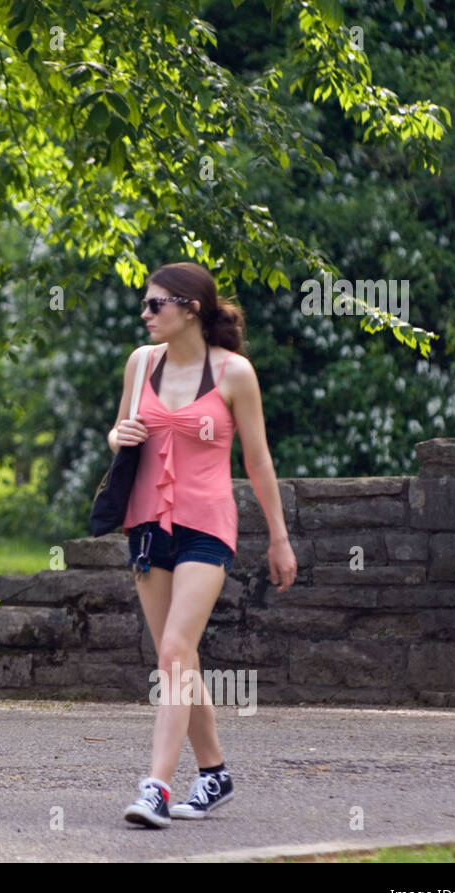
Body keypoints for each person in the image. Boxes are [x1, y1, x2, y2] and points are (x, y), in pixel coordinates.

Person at [111, 262, 297, 828]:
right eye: (144, 305)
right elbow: (121, 430)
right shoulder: (141, 363)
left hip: (206, 525)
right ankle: (213, 772)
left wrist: (279, 539)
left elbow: (257, 459)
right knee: (179, 656)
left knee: (173, 651)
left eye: (155, 305)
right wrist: (119, 434)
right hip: (146, 524)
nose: (144, 315)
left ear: (190, 307)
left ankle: (156, 788)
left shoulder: (234, 373)